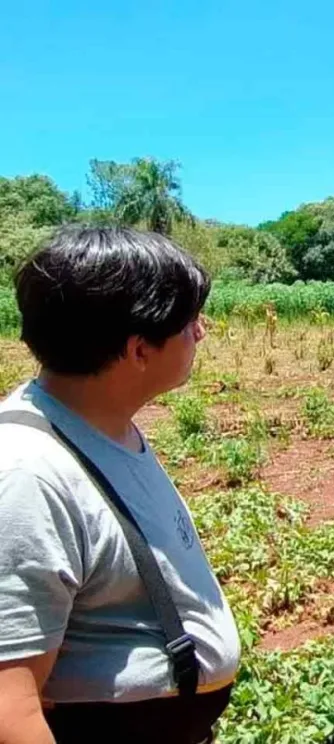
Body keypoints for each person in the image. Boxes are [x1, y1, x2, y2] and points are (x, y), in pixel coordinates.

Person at [0, 227, 241, 744]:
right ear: (138, 350)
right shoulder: (27, 474)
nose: (200, 332)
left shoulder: (101, 425)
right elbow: (9, 710)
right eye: (188, 323)